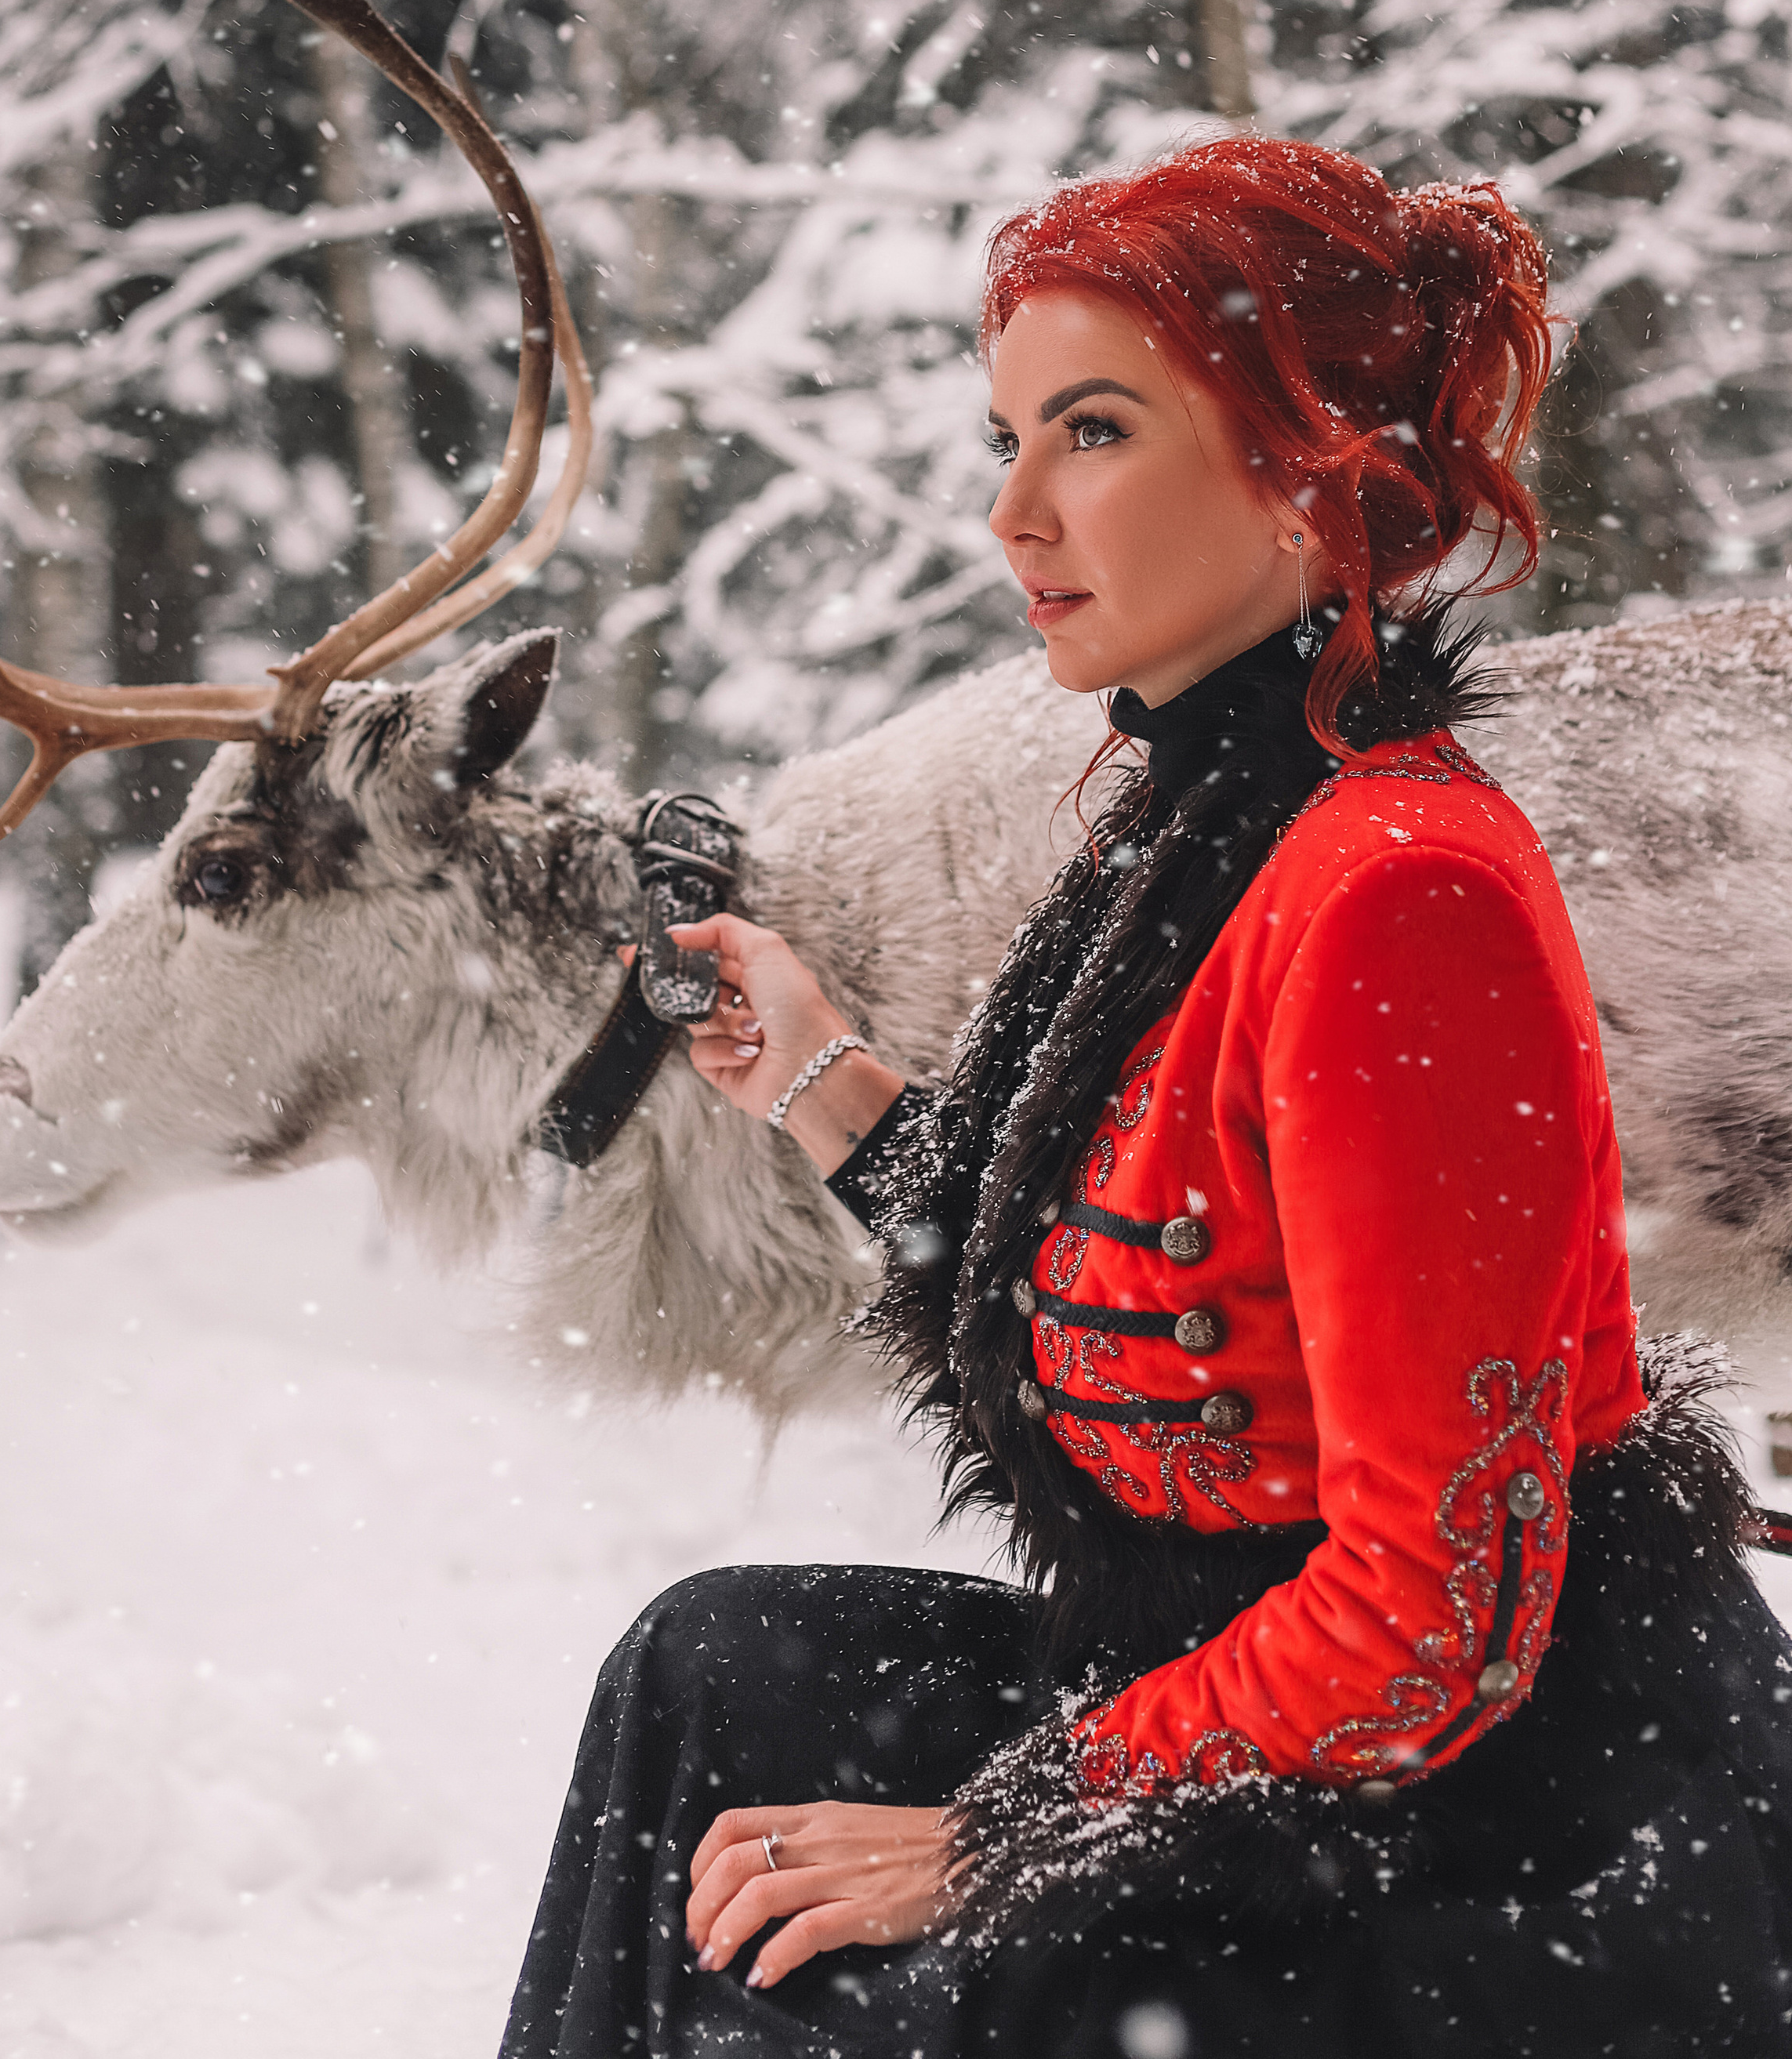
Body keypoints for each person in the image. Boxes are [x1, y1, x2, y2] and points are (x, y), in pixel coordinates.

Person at [499, 136, 1792, 2059]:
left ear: (1309, 472)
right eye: (1005, 436)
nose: (1012, 509)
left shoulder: (1398, 890)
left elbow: (1428, 1617)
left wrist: (995, 1836)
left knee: (814, 1960)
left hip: (1503, 1829)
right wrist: (817, 1075)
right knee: (710, 1672)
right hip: (1269, 1703)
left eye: (1090, 432)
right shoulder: (1208, 809)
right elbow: (1122, 1273)